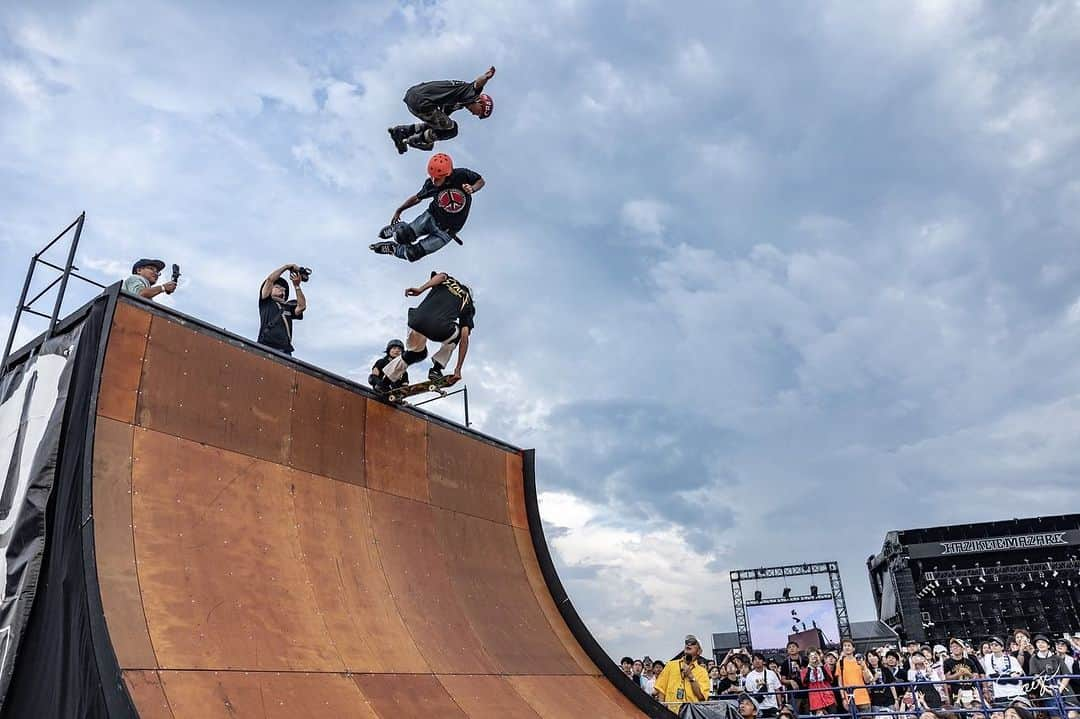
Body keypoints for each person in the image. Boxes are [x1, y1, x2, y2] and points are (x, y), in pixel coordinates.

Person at [370, 154, 484, 262]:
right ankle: (396, 229)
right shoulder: (431, 184)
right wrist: (399, 210)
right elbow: (417, 198)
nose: (434, 181)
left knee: (412, 254)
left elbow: (480, 181)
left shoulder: (462, 175)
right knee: (402, 235)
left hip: (447, 232)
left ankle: (393, 249)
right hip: (430, 218)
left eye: (438, 178)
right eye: (432, 177)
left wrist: (472, 188)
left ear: (447, 174)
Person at [373, 271, 474, 393]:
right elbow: (464, 337)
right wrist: (458, 368)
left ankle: (384, 383)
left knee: (415, 353)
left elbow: (440, 276)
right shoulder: (467, 301)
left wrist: (420, 290)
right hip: (439, 328)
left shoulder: (449, 280)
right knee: (458, 333)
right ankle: (436, 369)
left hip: (416, 321)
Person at [387, 67, 496, 153]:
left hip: (413, 97)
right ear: (480, 102)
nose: (474, 114)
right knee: (453, 130)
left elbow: (441, 119)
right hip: (423, 102)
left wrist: (432, 134)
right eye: (479, 113)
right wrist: (486, 77)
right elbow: (477, 84)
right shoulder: (469, 92)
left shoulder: (458, 102)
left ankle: (402, 131)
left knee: (441, 125)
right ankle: (417, 140)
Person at [257, 264, 307, 356]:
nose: (282, 291)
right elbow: (270, 280)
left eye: (284, 290)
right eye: (278, 288)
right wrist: (287, 267)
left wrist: (297, 286)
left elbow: (302, 306)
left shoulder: (287, 306)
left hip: (285, 350)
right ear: (271, 289)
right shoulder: (266, 301)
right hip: (266, 345)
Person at [654, 635, 710, 712]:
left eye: (693, 643)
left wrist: (691, 677)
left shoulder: (702, 672)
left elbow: (701, 697)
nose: (689, 644)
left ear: (699, 651)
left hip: (691, 714)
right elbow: (661, 689)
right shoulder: (670, 665)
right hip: (671, 713)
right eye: (687, 642)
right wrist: (661, 710)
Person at [983, 636, 1025, 707]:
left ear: (1002, 647)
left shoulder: (1012, 659)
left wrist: (1005, 677)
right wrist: (1010, 676)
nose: (993, 646)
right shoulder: (988, 658)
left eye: (996, 645)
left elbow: (1018, 677)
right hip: (1001, 695)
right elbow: (994, 677)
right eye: (991, 645)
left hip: (1017, 693)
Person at [1029, 634, 1069, 708]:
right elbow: (1036, 676)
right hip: (1046, 691)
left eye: (1043, 642)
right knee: (1055, 714)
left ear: (1048, 645)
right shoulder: (1033, 659)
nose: (1040, 644)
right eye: (1038, 642)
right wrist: (1047, 690)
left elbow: (1066, 675)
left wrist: (1060, 689)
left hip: (1063, 689)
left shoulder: (1057, 658)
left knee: (1073, 712)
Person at [943, 638, 982, 708]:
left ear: (962, 648)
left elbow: (977, 677)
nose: (955, 648)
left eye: (957, 646)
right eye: (953, 647)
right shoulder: (947, 662)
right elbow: (947, 678)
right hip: (956, 693)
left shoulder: (969, 661)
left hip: (971, 691)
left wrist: (968, 673)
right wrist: (958, 674)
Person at [837, 640, 872, 715]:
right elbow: (840, 682)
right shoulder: (840, 662)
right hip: (849, 698)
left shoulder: (860, 661)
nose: (847, 647)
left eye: (849, 645)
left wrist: (864, 668)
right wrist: (843, 698)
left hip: (863, 697)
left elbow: (867, 680)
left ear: (853, 648)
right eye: (845, 645)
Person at [743, 652, 784, 718]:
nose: (757, 661)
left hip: (772, 706)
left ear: (763, 662)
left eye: (759, 659)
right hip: (759, 707)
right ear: (752, 663)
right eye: (755, 660)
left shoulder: (771, 673)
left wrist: (780, 705)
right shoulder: (749, 676)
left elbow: (777, 690)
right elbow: (750, 693)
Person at [801, 648, 837, 716]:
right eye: (811, 656)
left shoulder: (825, 667)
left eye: (816, 655)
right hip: (815, 701)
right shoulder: (804, 670)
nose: (814, 657)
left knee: (833, 716)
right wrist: (810, 667)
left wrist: (820, 666)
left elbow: (829, 679)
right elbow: (805, 683)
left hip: (828, 698)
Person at [867, 648, 899, 713]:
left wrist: (896, 700)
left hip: (888, 699)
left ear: (878, 658)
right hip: (875, 700)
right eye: (869, 656)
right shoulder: (867, 671)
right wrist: (874, 679)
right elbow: (867, 688)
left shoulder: (886, 669)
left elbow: (891, 685)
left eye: (874, 656)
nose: (872, 658)